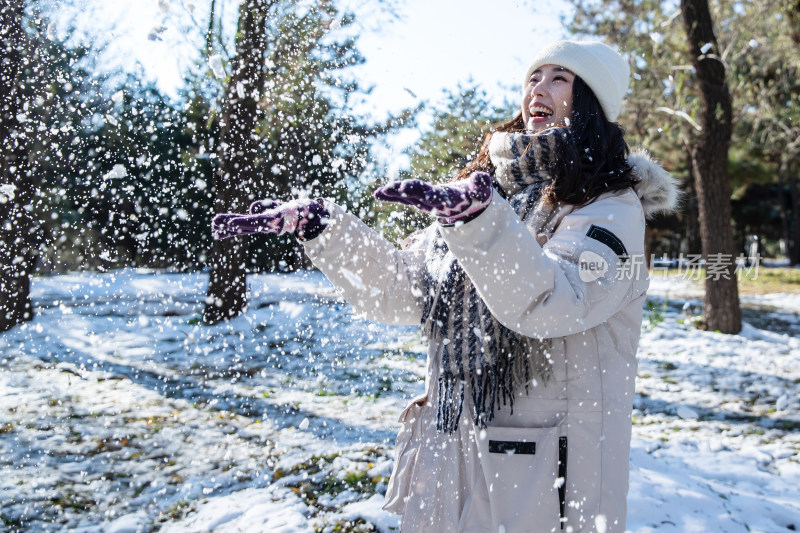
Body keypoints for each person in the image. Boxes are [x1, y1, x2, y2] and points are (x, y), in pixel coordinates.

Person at [212, 40, 679, 533]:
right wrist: (324, 229)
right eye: (532, 78)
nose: (537, 89)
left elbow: (553, 301)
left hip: (547, 479)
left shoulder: (609, 206)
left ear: (591, 101)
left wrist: (478, 221)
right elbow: (404, 289)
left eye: (559, 78)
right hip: (450, 451)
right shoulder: (490, 189)